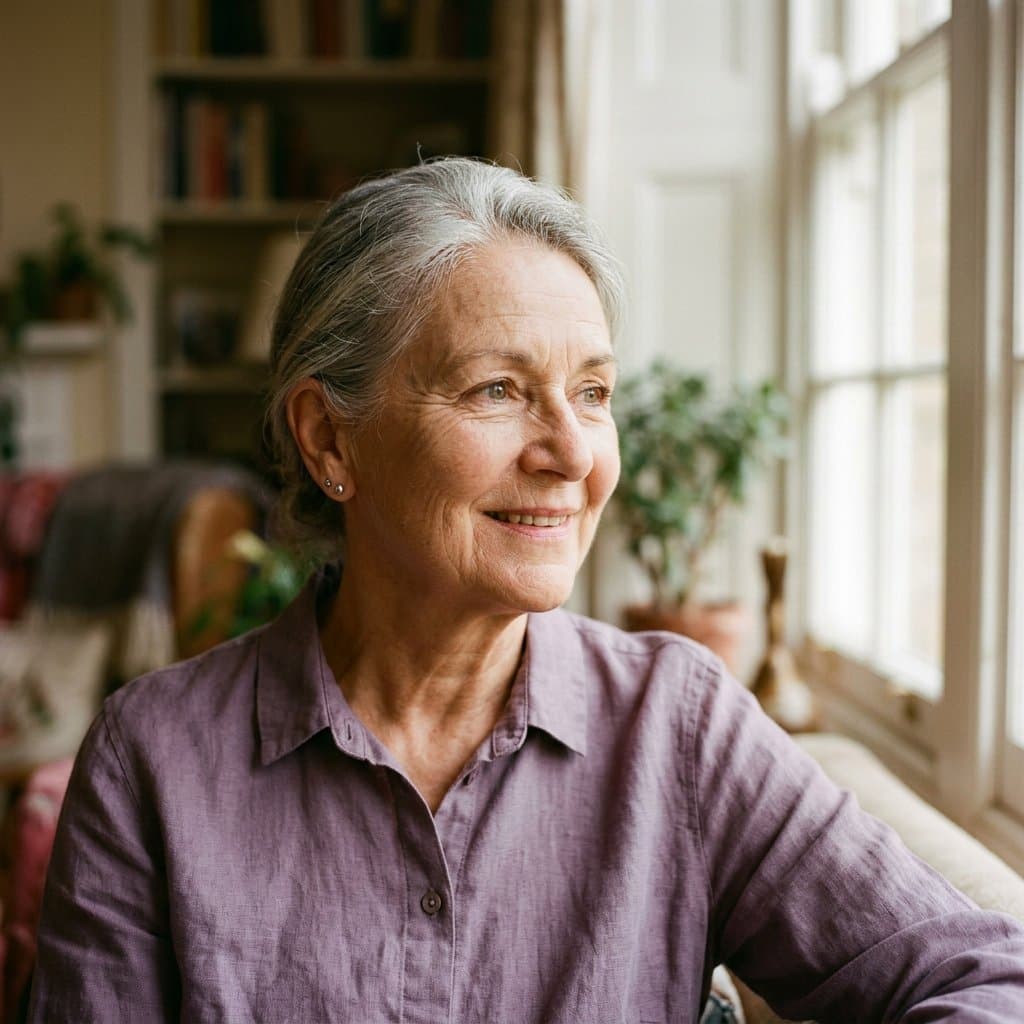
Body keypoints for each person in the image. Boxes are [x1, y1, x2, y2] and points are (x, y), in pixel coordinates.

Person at [28, 158, 1024, 1022]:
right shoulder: (150, 760)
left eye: (592, 393)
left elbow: (982, 979)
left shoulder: (677, 723)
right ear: (330, 439)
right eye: (497, 389)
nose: (572, 453)